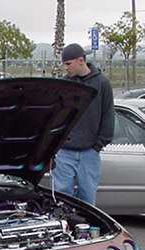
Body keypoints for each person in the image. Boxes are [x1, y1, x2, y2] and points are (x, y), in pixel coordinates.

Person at [51, 43, 114, 205]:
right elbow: (56, 117)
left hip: (89, 153)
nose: (66, 68)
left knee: (87, 200)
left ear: (81, 60)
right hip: (65, 152)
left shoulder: (102, 84)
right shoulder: (65, 84)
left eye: (68, 64)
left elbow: (108, 115)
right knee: (62, 199)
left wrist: (98, 145)